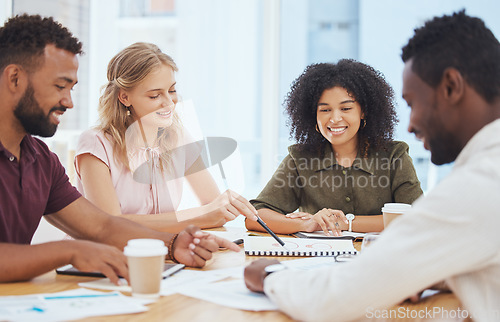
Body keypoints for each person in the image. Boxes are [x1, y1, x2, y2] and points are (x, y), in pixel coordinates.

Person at [244, 10, 500, 321]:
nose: (411, 124)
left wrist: (270, 276)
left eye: (413, 103)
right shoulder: (486, 172)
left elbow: (333, 301)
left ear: (451, 87)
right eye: (324, 110)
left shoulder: (479, 184)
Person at [0, 14, 240, 285]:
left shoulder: (41, 161)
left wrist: (173, 244)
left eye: (71, 88)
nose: (69, 102)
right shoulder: (95, 145)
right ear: (15, 78)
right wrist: (71, 249)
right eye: (59, 86)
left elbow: (102, 226)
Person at [75, 42, 258, 233]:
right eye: (155, 96)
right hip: (100, 257)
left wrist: (224, 205)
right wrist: (202, 215)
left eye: (172, 90)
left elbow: (215, 210)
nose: (170, 103)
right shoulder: (96, 144)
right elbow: (111, 225)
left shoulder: (178, 138)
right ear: (124, 98)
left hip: (161, 252)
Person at [247, 60, 422, 236]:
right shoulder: (300, 159)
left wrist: (343, 222)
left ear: (363, 112)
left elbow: (418, 218)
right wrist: (309, 224)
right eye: (325, 110)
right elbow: (254, 216)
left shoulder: (394, 156)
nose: (335, 118)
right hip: (317, 259)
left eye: (346, 108)